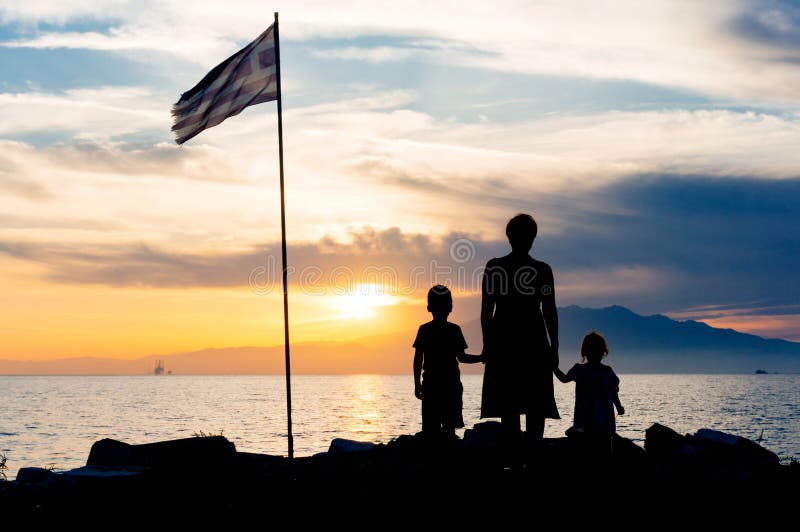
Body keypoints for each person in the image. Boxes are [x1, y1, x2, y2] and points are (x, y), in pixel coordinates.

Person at [480, 213, 560, 465]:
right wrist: (554, 345)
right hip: (529, 339)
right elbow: (549, 309)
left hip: (509, 340)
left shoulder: (497, 267)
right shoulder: (541, 270)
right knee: (529, 405)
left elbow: (487, 312)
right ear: (531, 238)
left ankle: (518, 461)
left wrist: (488, 343)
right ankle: (529, 459)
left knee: (511, 405)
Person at [413, 285, 483, 441]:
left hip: (433, 385)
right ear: (450, 307)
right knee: (448, 430)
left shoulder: (425, 330)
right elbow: (462, 358)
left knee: (431, 431)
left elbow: (418, 360)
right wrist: (481, 358)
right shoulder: (453, 330)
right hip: (449, 386)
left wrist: (417, 384)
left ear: (429, 307)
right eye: (449, 302)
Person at [554, 331, 624, 457]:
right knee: (594, 447)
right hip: (589, 416)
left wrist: (618, 406)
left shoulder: (605, 371)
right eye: (593, 350)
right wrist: (553, 367)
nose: (596, 353)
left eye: (597, 350)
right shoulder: (581, 370)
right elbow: (564, 379)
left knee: (603, 446)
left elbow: (613, 392)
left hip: (601, 416)